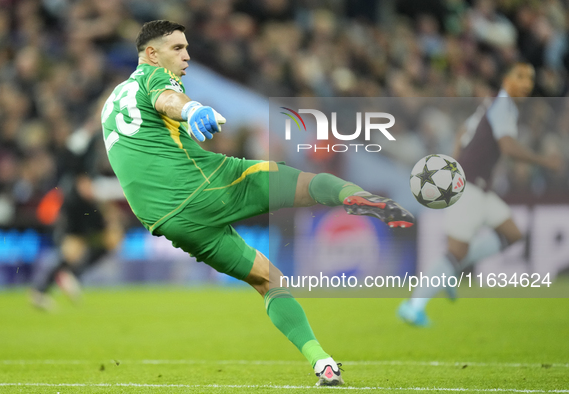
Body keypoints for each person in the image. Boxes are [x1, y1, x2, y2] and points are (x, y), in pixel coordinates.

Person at [101, 20, 414, 386]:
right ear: (151, 54)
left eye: (187, 47)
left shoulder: (111, 102)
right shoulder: (155, 77)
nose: (186, 55)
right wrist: (193, 109)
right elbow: (168, 99)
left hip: (165, 221)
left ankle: (322, 363)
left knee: (268, 279)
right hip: (203, 187)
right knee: (308, 183)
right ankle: (361, 198)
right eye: (177, 49)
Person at [397, 61, 563, 327]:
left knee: (511, 234)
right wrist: (545, 161)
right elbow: (507, 147)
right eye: (520, 78)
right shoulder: (503, 107)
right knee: (454, 253)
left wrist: (457, 161)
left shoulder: (493, 105)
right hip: (470, 186)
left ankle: (451, 272)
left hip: (481, 187)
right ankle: (413, 305)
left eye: (529, 80)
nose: (526, 85)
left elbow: (464, 131)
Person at [31, 116, 124, 310]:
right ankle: (53, 284)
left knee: (83, 247)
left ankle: (48, 287)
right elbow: (82, 178)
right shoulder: (83, 143)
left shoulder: (88, 140)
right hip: (79, 202)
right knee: (95, 242)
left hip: (79, 200)